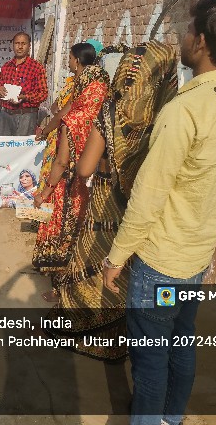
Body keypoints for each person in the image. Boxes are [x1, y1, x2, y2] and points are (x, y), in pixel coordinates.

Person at [102, 0, 216, 424]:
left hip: (163, 260)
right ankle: (171, 418)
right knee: (181, 339)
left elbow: (150, 195)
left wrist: (116, 257)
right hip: (197, 254)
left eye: (189, 28)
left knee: (150, 356)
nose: (183, 35)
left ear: (202, 41)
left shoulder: (186, 110)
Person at [43, 40, 179, 361]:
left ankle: (83, 336)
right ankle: (117, 342)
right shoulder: (169, 116)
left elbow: (85, 168)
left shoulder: (111, 110)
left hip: (105, 207)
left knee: (92, 265)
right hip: (146, 212)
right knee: (128, 272)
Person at [31, 43, 109, 294]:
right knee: (84, 238)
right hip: (97, 191)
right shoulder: (104, 117)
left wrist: (45, 193)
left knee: (63, 236)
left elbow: (62, 163)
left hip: (69, 189)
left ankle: (59, 290)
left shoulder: (73, 121)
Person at [0, 32, 48, 136]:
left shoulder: (36, 67)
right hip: (5, 114)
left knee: (22, 145)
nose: (20, 47)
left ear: (29, 46)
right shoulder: (7, 66)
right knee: (4, 145)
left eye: (23, 43)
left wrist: (25, 97)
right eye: (17, 43)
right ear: (13, 45)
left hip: (26, 115)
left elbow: (43, 94)